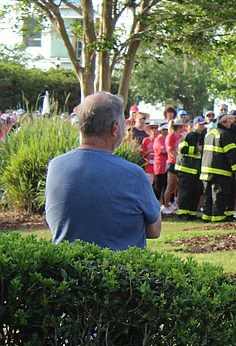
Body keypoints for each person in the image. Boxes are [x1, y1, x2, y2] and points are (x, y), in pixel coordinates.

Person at [44, 92, 162, 250]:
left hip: (68, 262)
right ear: (115, 128)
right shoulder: (132, 174)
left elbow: (56, 220)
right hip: (118, 264)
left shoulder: (56, 166)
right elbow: (154, 230)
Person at [200, 111, 236, 222]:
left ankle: (207, 216)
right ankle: (218, 217)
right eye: (229, 121)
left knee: (208, 195)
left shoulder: (209, 134)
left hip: (206, 171)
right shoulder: (224, 134)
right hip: (220, 171)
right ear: (223, 122)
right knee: (219, 195)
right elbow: (231, 154)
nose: (230, 124)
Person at [176, 119, 206, 220]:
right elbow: (182, 149)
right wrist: (197, 149)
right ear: (194, 125)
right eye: (200, 124)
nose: (202, 126)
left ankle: (192, 213)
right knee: (185, 192)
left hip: (196, 170)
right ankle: (183, 213)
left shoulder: (203, 136)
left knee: (195, 192)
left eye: (203, 124)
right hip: (186, 169)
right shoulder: (188, 135)